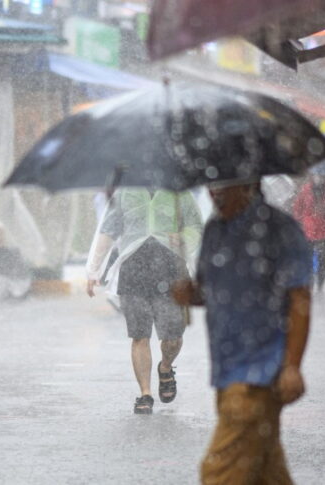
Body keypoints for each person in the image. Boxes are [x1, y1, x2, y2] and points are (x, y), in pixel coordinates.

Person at [172, 179, 312, 484]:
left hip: (258, 375)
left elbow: (299, 298)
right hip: (226, 372)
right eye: (211, 183)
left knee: (218, 474)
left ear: (249, 182)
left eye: (224, 183)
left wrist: (292, 366)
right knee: (267, 473)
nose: (214, 192)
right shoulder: (214, 231)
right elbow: (210, 292)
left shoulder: (279, 229)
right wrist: (190, 293)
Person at [86, 187, 202, 414]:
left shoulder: (179, 192)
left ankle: (166, 367)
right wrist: (93, 270)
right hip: (134, 268)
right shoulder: (125, 194)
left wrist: (184, 239)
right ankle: (145, 393)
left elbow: (196, 226)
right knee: (140, 334)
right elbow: (108, 231)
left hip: (172, 269)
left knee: (173, 337)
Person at [292, 175, 325, 291]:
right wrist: (300, 223)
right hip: (309, 232)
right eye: (317, 175)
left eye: (321, 176)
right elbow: (297, 209)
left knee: (322, 259)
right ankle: (309, 282)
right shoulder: (306, 189)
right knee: (308, 259)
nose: (319, 178)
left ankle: (320, 284)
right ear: (312, 176)